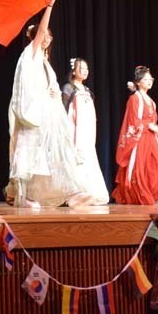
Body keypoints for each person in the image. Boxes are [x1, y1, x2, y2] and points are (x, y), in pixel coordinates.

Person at [4, 0, 94, 208]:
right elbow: (42, 29)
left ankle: (67, 192)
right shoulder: (30, 53)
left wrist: (52, 92)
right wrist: (50, 6)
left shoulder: (43, 61)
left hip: (45, 112)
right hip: (32, 112)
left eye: (49, 36)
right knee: (28, 152)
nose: (47, 38)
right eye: (43, 35)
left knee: (48, 153)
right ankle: (21, 195)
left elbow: (48, 84)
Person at [112, 66, 158, 204]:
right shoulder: (135, 99)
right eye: (146, 79)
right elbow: (133, 122)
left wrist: (156, 128)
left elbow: (153, 121)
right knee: (141, 168)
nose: (150, 81)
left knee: (155, 167)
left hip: (150, 139)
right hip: (140, 140)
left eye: (151, 79)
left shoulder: (151, 101)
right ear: (138, 82)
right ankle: (142, 195)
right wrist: (148, 126)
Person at [61, 58, 110, 205]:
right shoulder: (68, 88)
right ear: (74, 71)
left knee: (88, 158)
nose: (85, 71)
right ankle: (74, 193)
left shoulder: (87, 91)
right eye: (81, 68)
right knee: (75, 158)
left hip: (87, 132)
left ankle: (90, 192)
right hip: (73, 129)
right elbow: (64, 110)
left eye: (86, 68)